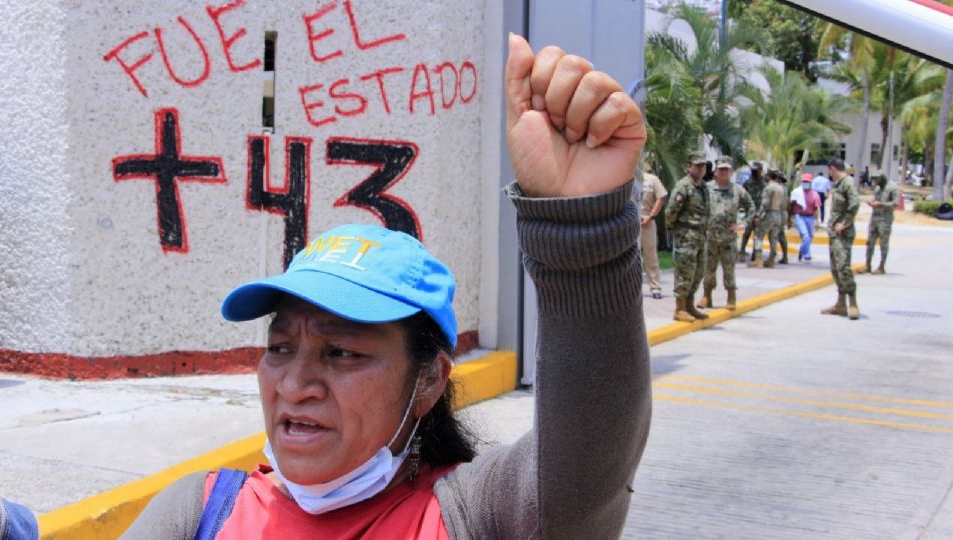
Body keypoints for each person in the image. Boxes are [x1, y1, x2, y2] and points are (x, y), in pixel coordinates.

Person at [122, 35, 652, 539]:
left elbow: (584, 464)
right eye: (280, 347)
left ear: (428, 382)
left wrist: (584, 236)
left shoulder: (473, 517)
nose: (294, 383)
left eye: (343, 352)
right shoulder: (199, 512)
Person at [699, 156, 753, 311]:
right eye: (721, 169)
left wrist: (743, 224)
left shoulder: (737, 190)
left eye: (727, 169)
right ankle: (706, 296)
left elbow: (751, 207)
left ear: (731, 172)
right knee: (708, 268)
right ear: (715, 171)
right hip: (709, 236)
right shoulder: (706, 188)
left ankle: (731, 297)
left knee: (729, 268)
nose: (724, 172)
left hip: (728, 237)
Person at [665, 152, 711, 322]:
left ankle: (690, 306)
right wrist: (674, 231)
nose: (701, 169)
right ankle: (679, 309)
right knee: (685, 273)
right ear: (689, 166)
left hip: (700, 236)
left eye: (703, 166)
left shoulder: (703, 186)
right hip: (686, 235)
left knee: (698, 272)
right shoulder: (683, 186)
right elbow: (671, 212)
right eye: (697, 165)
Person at [822, 158, 861, 319]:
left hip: (842, 234)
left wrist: (844, 224)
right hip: (834, 233)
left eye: (829, 171)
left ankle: (852, 303)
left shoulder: (847, 183)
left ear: (832, 168)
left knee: (843, 267)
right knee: (836, 268)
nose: (829, 174)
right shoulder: (838, 185)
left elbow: (855, 204)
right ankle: (840, 303)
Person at [860, 173, 900, 274]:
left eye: (877, 180)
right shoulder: (878, 188)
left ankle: (881, 266)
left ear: (882, 178)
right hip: (874, 217)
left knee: (883, 243)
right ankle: (867, 265)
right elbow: (876, 199)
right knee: (870, 242)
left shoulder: (893, 187)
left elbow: (895, 203)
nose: (875, 183)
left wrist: (881, 204)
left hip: (885, 219)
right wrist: (872, 202)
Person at [640, 167, 668, 299]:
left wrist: (651, 216)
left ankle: (655, 287)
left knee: (650, 255)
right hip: (628, 220)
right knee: (628, 257)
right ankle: (631, 289)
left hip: (647, 220)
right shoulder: (624, 176)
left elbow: (661, 197)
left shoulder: (651, 179)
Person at [748, 169, 785, 268]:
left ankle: (758, 260)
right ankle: (771, 259)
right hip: (778, 214)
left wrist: (758, 215)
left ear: (769, 176)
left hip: (769, 214)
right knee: (774, 238)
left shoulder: (769, 187)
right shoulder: (780, 188)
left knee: (758, 235)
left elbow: (765, 203)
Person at [788, 172, 822, 262]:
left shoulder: (815, 194)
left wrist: (817, 221)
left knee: (809, 237)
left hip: (810, 217)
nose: (805, 183)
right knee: (805, 236)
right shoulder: (797, 192)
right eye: (804, 182)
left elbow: (816, 208)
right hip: (800, 216)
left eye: (807, 182)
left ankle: (805, 252)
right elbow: (792, 205)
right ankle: (804, 252)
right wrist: (789, 218)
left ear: (810, 183)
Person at [738, 162, 765, 260]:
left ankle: (755, 254)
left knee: (757, 234)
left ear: (760, 170)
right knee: (747, 233)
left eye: (756, 170)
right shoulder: (748, 182)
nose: (754, 171)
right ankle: (741, 252)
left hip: (760, 212)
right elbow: (742, 195)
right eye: (752, 170)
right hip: (749, 211)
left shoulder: (764, 183)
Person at [777, 173, 790, 264]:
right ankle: (785, 256)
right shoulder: (785, 188)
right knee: (781, 235)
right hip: (784, 212)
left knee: (777, 235)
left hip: (778, 213)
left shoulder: (779, 188)